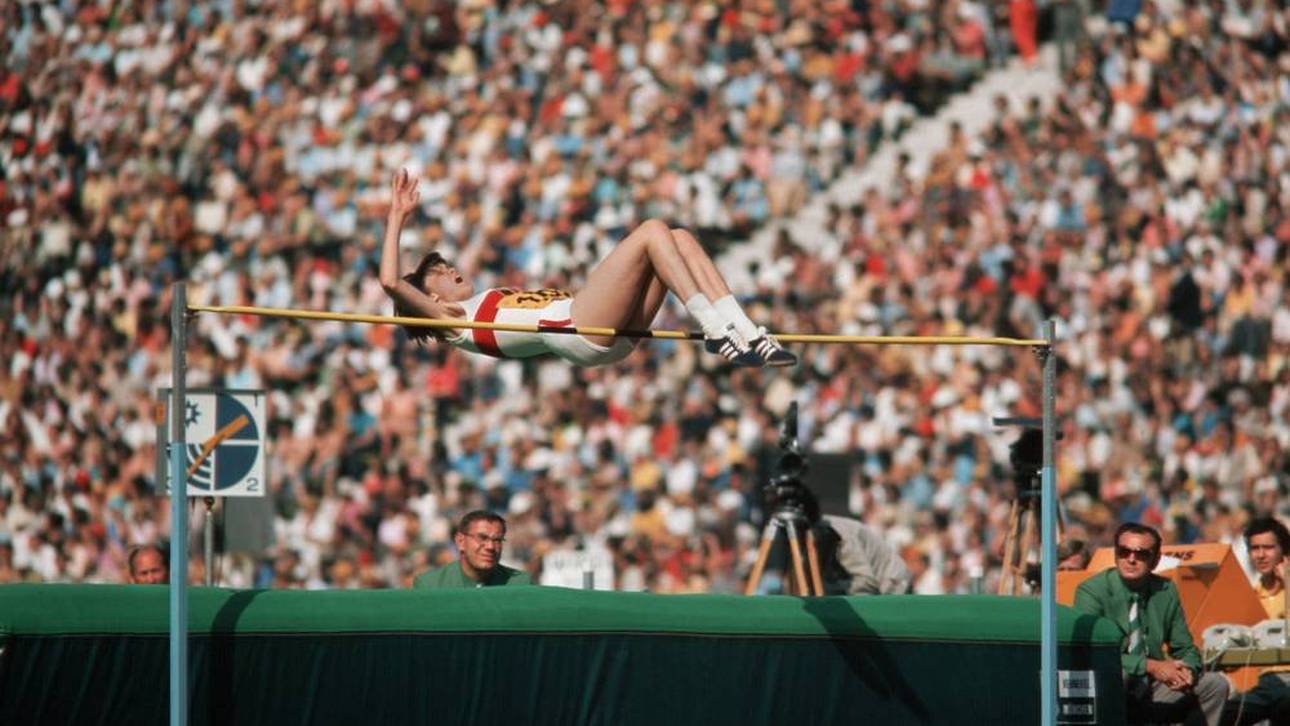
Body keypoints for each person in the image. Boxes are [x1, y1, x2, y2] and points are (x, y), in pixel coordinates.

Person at [379, 169, 795, 368]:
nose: (452, 270)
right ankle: (715, 329)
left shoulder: (483, 300)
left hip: (602, 331)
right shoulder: (452, 319)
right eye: (441, 274)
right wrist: (397, 216)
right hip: (580, 328)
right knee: (652, 231)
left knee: (680, 238)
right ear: (431, 299)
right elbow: (390, 281)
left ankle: (744, 331)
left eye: (447, 264)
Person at [1074, 522, 1229, 726]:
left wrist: (1188, 671)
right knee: (1121, 675)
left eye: (1141, 554)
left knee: (1214, 685)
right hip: (1109, 687)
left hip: (1152, 687)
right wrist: (1150, 666)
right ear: (1115, 555)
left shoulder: (1165, 590)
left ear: (1155, 560)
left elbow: (1184, 647)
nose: (1131, 559)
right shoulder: (1092, 591)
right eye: (1124, 551)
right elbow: (1091, 653)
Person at [1219, 518, 1290, 725]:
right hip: (1261, 682)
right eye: (1255, 548)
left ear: (1284, 552)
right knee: (1217, 713)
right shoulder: (1250, 595)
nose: (1260, 555)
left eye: (1268, 547)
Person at [413, 510, 532, 589]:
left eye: (497, 540)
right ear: (460, 541)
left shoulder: (519, 584)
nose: (490, 546)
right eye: (482, 538)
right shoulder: (431, 585)